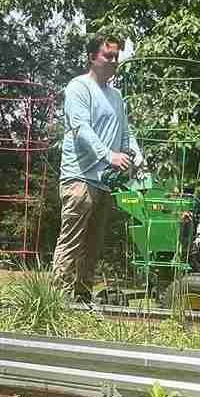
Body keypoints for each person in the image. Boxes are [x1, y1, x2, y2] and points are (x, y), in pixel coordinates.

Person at [51, 33, 143, 300]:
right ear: (93, 57)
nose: (114, 61)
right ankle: (57, 299)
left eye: (117, 57)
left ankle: (81, 298)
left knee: (93, 245)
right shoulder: (78, 87)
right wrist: (109, 156)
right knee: (72, 241)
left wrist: (137, 158)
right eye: (108, 56)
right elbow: (81, 129)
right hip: (79, 177)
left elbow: (125, 134)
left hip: (103, 181)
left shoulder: (116, 96)